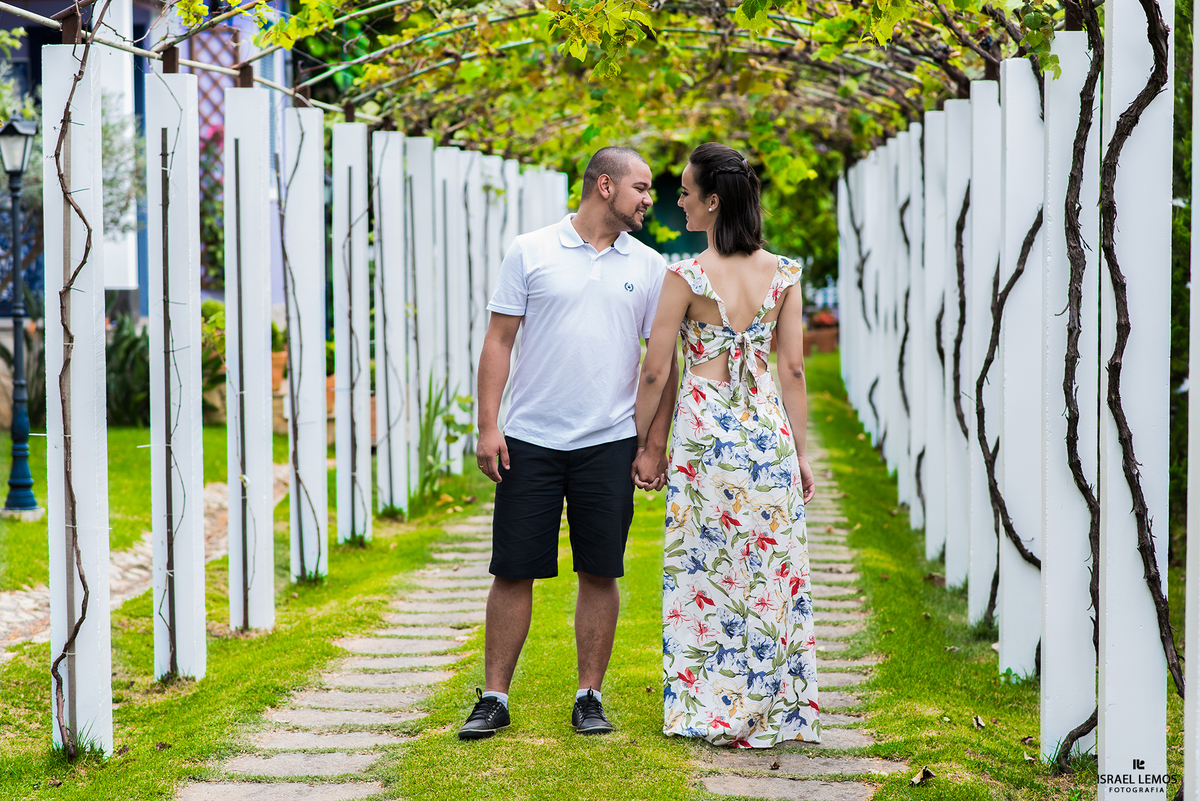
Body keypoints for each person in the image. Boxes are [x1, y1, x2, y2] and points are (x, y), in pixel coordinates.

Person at [458, 146, 680, 740]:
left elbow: (664, 362)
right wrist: (488, 426)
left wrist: (653, 442)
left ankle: (589, 696)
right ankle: (494, 698)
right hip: (529, 439)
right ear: (605, 186)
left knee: (600, 571)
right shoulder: (531, 250)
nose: (649, 198)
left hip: (608, 442)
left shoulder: (651, 266)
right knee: (513, 570)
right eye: (641, 187)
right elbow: (498, 340)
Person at [632, 142, 820, 748]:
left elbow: (657, 372)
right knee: (769, 569)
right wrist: (802, 453)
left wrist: (645, 445)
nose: (679, 199)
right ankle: (774, 706)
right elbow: (791, 370)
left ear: (713, 202)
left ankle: (706, 704)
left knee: (704, 569)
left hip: (706, 432)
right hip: (765, 430)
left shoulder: (685, 276)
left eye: (686, 191)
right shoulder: (785, 273)